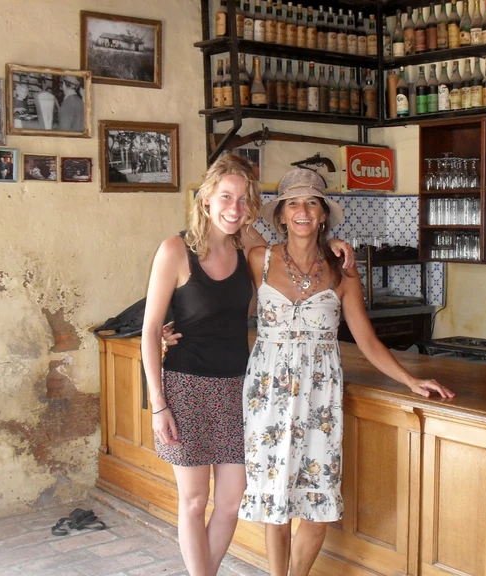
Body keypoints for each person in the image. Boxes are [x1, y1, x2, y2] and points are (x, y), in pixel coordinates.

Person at [143, 155, 354, 576]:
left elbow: (297, 244)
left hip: (239, 388)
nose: (234, 208)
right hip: (185, 388)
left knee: (231, 501)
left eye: (242, 200)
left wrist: (331, 244)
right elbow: (149, 330)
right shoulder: (175, 250)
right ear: (206, 199)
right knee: (194, 501)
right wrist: (158, 404)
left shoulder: (246, 245)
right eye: (225, 197)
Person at [238, 168, 454, 576]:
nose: (303, 211)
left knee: (317, 507)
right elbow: (230, 221)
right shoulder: (258, 260)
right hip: (267, 396)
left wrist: (411, 379)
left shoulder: (343, 272)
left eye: (312, 203)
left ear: (323, 215)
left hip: (320, 398)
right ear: (281, 215)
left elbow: (368, 342)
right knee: (276, 502)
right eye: (293, 203)